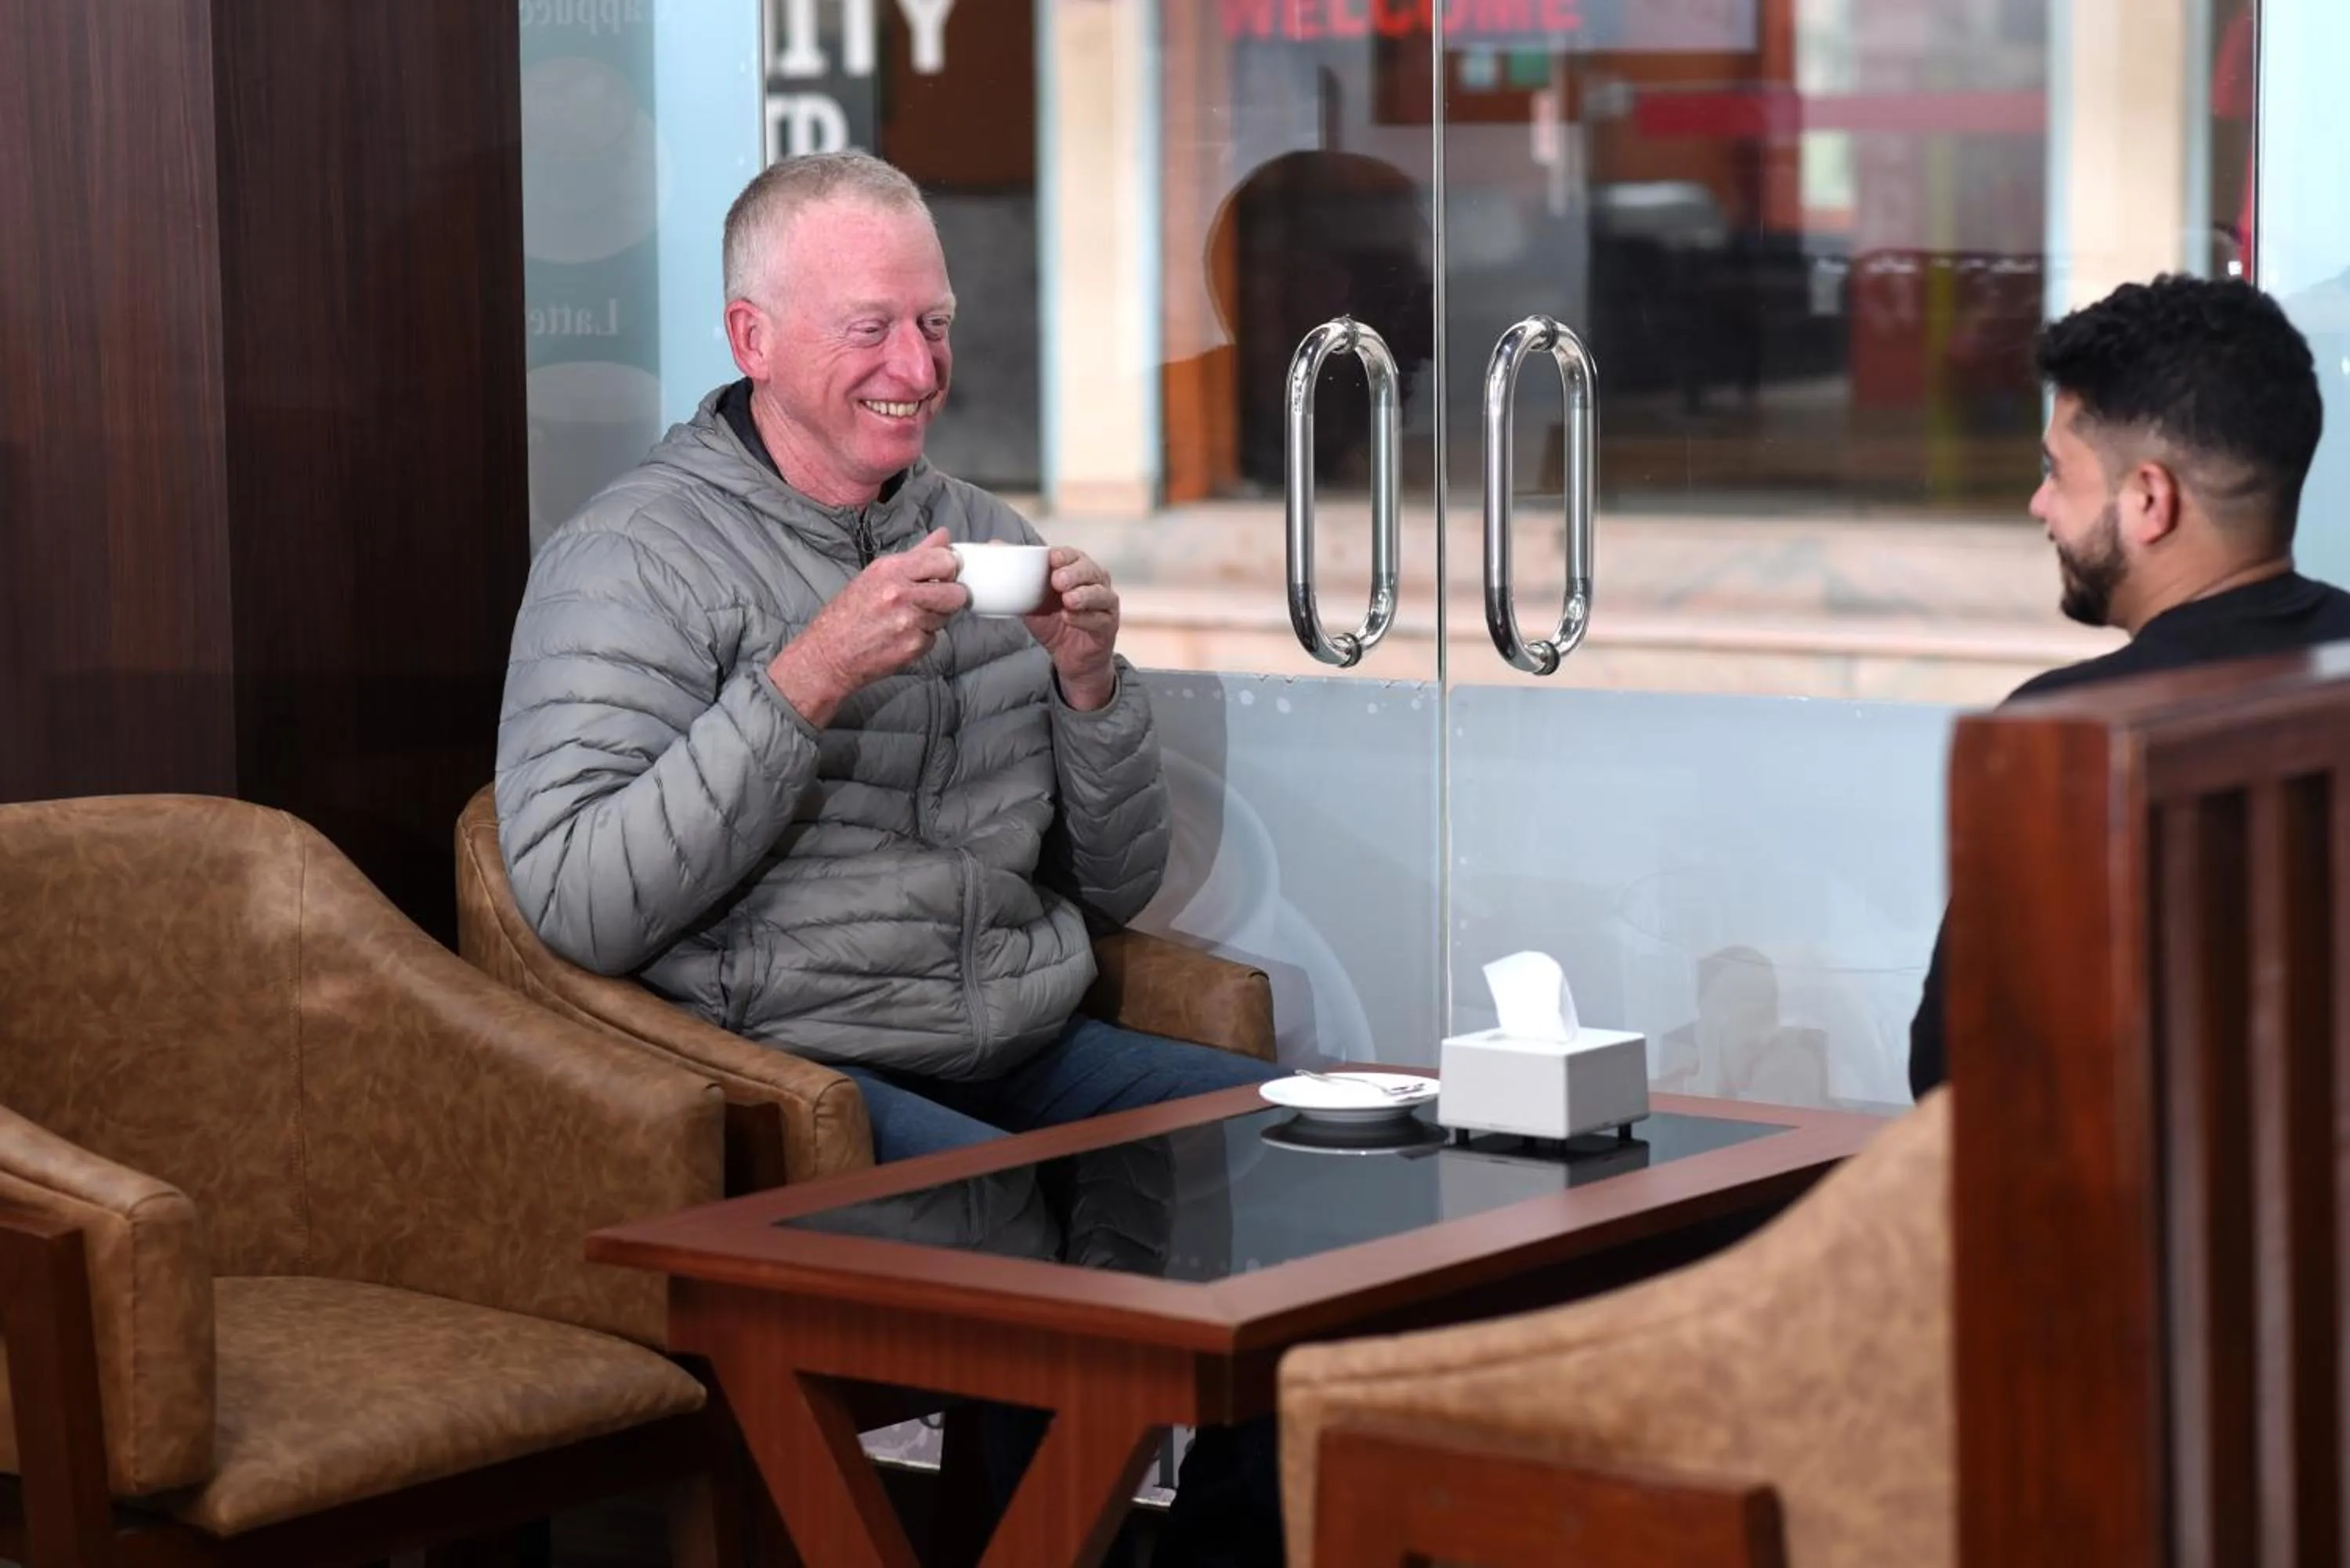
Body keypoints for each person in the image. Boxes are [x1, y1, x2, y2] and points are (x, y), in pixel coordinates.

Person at [497, 149, 1278, 1151]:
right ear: (753, 338)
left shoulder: (988, 535)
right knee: (982, 1196)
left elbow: (1109, 891)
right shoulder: (628, 559)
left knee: (1303, 1146)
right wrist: (809, 676)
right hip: (800, 1066)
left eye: (934, 325)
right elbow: (580, 905)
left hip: (1026, 1044)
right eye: (870, 329)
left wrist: (1090, 688)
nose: (917, 370)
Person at [1909, 273, 2350, 1097]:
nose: (2040, 504)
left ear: (2150, 498)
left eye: (2057, 472)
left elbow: (1956, 1076)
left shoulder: (2070, 732)